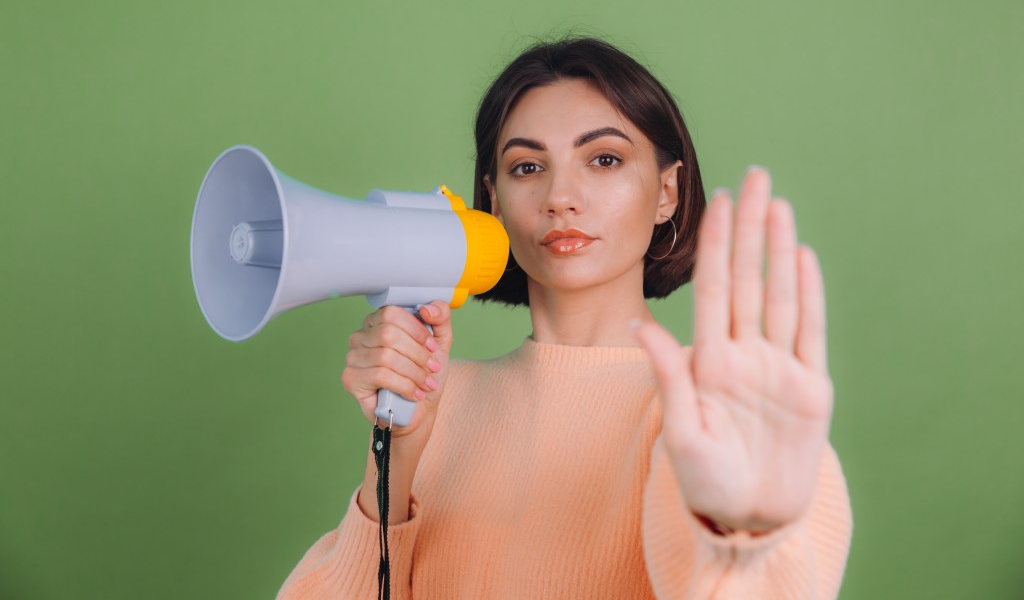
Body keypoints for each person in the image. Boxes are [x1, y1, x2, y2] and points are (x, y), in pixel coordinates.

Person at [276, 36, 853, 599]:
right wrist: (398, 456)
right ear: (494, 201)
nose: (560, 196)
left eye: (604, 159)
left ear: (667, 192)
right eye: (527, 167)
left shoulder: (729, 408)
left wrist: (743, 541)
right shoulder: (432, 401)